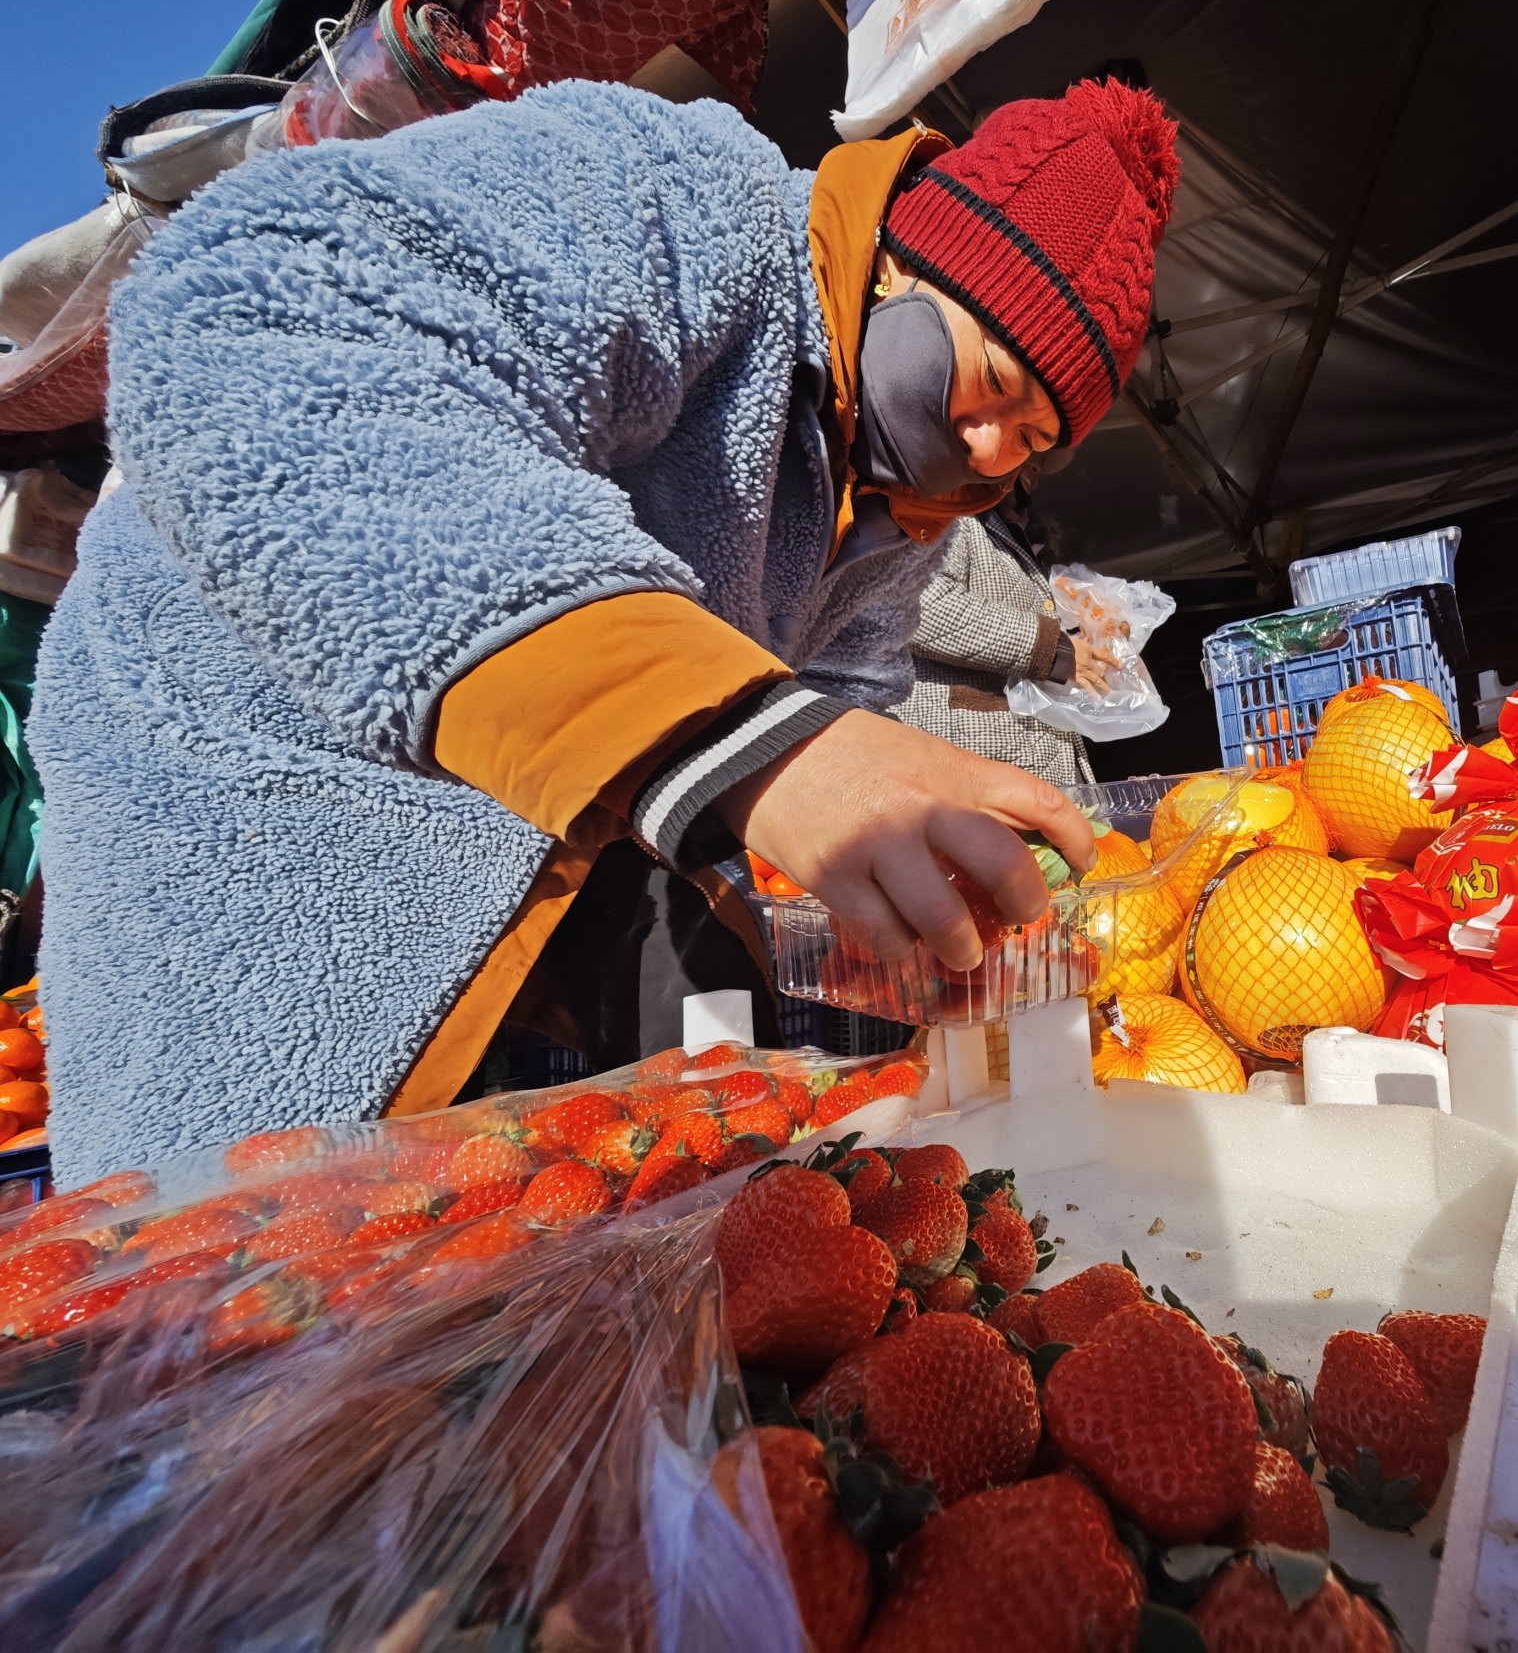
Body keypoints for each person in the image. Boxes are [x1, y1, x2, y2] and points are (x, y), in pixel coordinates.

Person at [31, 77, 1180, 1180]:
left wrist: (867, 873)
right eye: (993, 380)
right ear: (895, 264)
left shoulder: (894, 522)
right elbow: (247, 310)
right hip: (266, 831)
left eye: (1033, 440)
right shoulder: (679, 197)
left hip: (555, 877)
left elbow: (845, 691)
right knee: (233, 1257)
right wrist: (748, 741)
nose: (988, 448)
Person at [890, 494, 1104, 790]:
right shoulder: (952, 516)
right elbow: (917, 606)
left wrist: (1093, 634)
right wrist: (1054, 649)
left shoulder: (1017, 538)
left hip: (1036, 756)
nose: (1031, 475)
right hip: (974, 759)